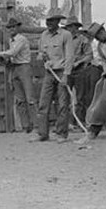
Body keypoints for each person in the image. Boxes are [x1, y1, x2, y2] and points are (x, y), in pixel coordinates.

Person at [31, 8, 73, 143]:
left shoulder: (66, 35)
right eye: (47, 20)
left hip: (62, 72)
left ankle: (61, 134)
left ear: (57, 21)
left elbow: (70, 56)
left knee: (62, 104)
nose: (48, 22)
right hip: (49, 73)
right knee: (44, 103)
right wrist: (43, 57)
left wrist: (66, 75)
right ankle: (42, 134)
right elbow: (40, 53)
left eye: (51, 20)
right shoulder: (44, 35)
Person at [0, 18, 35, 133]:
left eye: (13, 27)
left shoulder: (21, 39)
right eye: (9, 27)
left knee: (30, 98)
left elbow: (13, 53)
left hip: (24, 67)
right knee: (20, 99)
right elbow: (12, 55)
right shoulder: (11, 40)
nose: (11, 29)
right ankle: (26, 126)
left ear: (18, 28)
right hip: (15, 68)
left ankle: (37, 124)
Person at [63, 16, 94, 126]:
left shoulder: (82, 39)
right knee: (64, 96)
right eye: (68, 26)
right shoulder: (63, 38)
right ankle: (65, 123)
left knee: (81, 97)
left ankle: (79, 123)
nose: (70, 29)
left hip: (79, 70)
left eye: (72, 26)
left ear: (76, 27)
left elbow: (89, 55)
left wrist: (78, 62)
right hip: (65, 70)